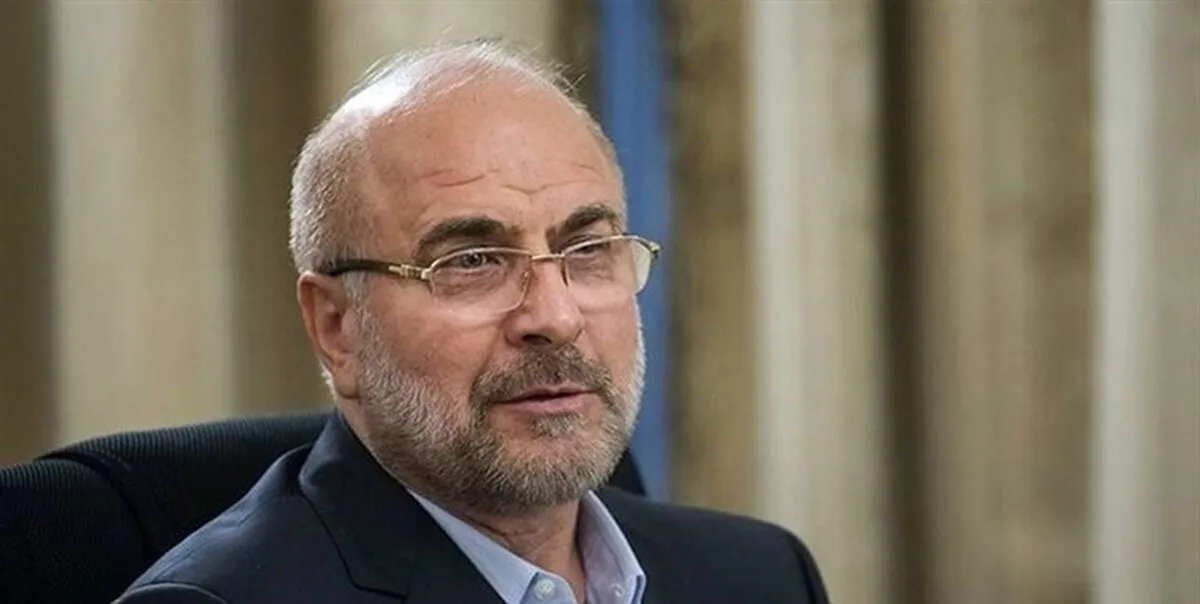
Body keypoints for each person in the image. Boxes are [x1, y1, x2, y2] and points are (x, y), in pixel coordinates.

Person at [117, 39, 828, 604]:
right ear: (336, 327)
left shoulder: (762, 575)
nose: (555, 317)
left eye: (588, 250)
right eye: (473, 261)